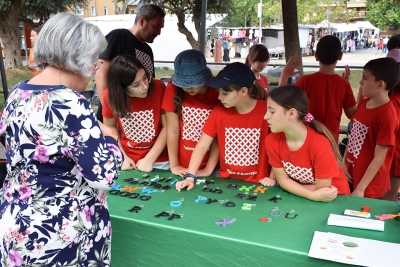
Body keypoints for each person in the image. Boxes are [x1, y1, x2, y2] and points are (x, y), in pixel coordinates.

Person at [0, 12, 123, 266]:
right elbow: (104, 175)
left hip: (17, 226)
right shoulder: (71, 103)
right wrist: (110, 138)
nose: (93, 71)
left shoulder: (18, 92)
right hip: (60, 235)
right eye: (94, 63)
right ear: (79, 60)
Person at [175, 62, 271, 191]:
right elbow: (202, 145)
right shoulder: (219, 111)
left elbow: (280, 146)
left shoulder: (267, 111)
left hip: (260, 184)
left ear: (243, 91)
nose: (219, 97)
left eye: (225, 93)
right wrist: (190, 176)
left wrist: (273, 177)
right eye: (219, 91)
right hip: (225, 183)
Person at [264, 86, 350, 202]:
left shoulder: (319, 145)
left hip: (335, 197)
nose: (265, 116)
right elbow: (283, 181)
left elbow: (323, 189)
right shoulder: (271, 140)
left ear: (292, 113)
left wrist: (288, 186)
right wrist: (310, 195)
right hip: (305, 196)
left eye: (272, 111)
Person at [279, 35, 357, 143]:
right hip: (330, 143)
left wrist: (284, 75)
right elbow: (352, 114)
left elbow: (281, 102)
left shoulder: (305, 81)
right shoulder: (343, 84)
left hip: (306, 141)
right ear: (340, 56)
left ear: (316, 56)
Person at [95, 4, 165, 122]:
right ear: (142, 21)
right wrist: (110, 113)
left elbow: (151, 84)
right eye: (156, 26)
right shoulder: (118, 37)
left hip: (138, 121)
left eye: (161, 28)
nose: (159, 32)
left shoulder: (148, 50)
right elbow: (100, 75)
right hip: (115, 116)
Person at [343, 58, 399, 199]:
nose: (361, 82)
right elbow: (353, 135)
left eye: (365, 78)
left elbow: (380, 158)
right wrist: (344, 162)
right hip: (351, 174)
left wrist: (361, 189)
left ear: (380, 84)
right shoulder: (364, 104)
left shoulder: (388, 116)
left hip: (368, 186)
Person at [102, 55, 168, 172]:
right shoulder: (110, 96)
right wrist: (121, 156)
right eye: (136, 85)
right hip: (127, 160)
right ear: (121, 88)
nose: (145, 86)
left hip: (159, 160)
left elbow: (167, 127)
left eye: (145, 77)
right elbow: (110, 129)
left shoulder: (158, 87)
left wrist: (149, 159)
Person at [162, 50, 220, 177]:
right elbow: (173, 130)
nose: (189, 88)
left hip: (213, 167)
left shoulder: (217, 91)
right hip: (182, 164)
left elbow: (218, 136)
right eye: (184, 84)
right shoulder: (173, 88)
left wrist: (209, 169)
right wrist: (174, 165)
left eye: (194, 84)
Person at [382, 37, 400, 201]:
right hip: (391, 156)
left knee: (388, 198)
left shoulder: (392, 102)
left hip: (394, 156)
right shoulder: (391, 98)